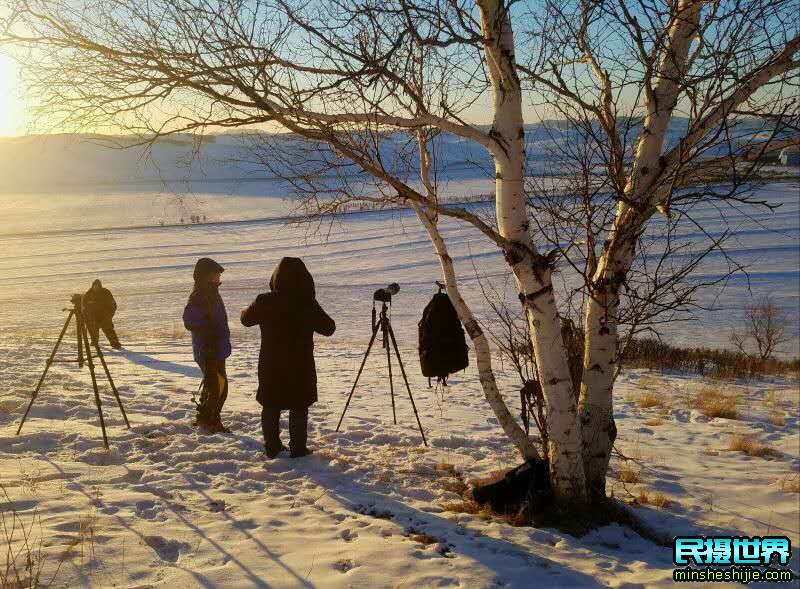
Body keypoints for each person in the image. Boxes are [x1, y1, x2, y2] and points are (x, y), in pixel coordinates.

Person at [241, 257, 335, 458]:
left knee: (270, 405)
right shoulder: (307, 303)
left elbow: (245, 319)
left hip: (271, 364)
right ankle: (298, 449)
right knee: (299, 405)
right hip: (300, 365)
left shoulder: (264, 300)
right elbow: (329, 328)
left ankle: (272, 447)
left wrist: (251, 307)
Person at [183, 257, 232, 432]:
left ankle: (205, 418)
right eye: (215, 275)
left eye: (218, 275)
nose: (219, 278)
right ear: (205, 276)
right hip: (208, 350)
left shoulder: (211, 293)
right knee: (219, 388)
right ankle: (212, 421)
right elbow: (189, 320)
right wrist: (208, 331)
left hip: (216, 349)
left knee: (214, 386)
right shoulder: (200, 295)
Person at [83, 279, 122, 349]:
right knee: (93, 330)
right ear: (92, 286)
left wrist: (109, 315)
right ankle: (94, 342)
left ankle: (115, 344)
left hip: (104, 315)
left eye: (97, 286)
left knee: (109, 330)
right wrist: (87, 314)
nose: (96, 287)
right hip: (93, 316)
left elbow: (113, 305)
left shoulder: (106, 292)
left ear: (100, 286)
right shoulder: (89, 293)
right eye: (94, 286)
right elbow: (84, 304)